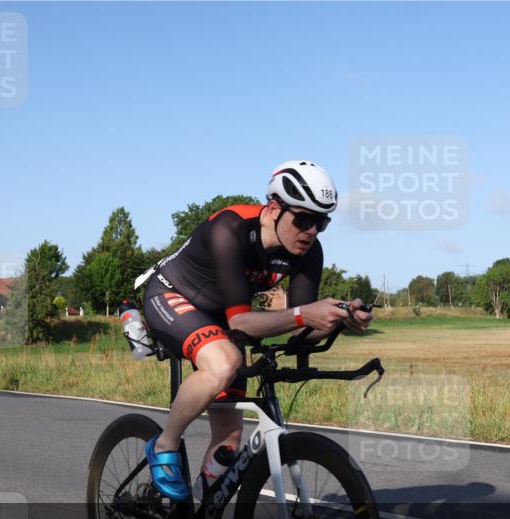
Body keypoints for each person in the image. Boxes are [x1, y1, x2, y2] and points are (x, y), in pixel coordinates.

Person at [141, 160, 372, 501]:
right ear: (274, 209)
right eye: (303, 220)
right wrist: (304, 314)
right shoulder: (230, 228)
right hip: (172, 296)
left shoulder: (308, 252)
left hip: (221, 317)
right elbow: (243, 323)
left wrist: (338, 319)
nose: (312, 231)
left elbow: (300, 334)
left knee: (229, 439)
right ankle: (164, 445)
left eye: (321, 222)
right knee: (224, 362)